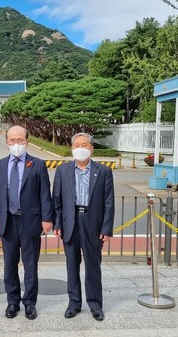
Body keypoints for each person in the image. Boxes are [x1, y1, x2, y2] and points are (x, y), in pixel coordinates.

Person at [53, 132, 115, 322]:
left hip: (93, 224)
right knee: (72, 266)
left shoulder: (103, 171)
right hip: (70, 222)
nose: (80, 148)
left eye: (85, 145)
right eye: (76, 145)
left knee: (93, 266)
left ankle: (95, 305)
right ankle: (74, 303)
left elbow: (109, 202)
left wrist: (106, 228)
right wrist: (58, 223)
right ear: (72, 148)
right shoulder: (62, 171)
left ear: (91, 148)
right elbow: (57, 200)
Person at [0, 125, 54, 320]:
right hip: (7, 221)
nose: (16, 144)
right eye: (12, 140)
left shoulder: (37, 164)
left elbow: (45, 193)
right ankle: (12, 301)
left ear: (27, 141)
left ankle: (29, 303)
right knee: (9, 265)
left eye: (20, 140)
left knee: (30, 265)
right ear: (7, 142)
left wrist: (47, 219)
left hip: (31, 221)